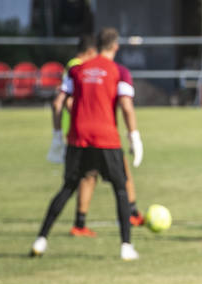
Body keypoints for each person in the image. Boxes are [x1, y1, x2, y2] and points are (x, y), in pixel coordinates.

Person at [32, 27, 144, 261]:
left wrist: (56, 135)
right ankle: (126, 246)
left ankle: (41, 240)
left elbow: (59, 102)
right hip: (106, 138)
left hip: (78, 137)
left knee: (67, 187)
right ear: (115, 46)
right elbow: (126, 105)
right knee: (120, 189)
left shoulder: (76, 70)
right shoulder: (119, 71)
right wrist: (134, 136)